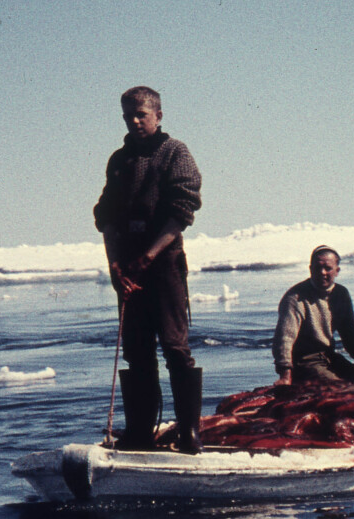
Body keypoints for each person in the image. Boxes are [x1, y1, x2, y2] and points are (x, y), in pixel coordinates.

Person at [92, 86, 203, 454]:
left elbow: (182, 212)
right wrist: (115, 266)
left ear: (158, 115)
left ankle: (189, 433)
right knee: (137, 351)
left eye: (141, 114)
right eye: (128, 116)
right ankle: (140, 432)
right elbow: (106, 216)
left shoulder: (175, 152)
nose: (135, 121)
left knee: (174, 347)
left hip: (165, 265)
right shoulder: (119, 160)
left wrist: (149, 257)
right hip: (128, 269)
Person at [272, 245, 354, 385]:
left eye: (328, 268)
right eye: (317, 268)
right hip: (304, 361)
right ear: (310, 269)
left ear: (337, 271)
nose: (322, 272)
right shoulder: (295, 297)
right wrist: (285, 374)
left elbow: (350, 334)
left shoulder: (341, 294)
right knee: (339, 387)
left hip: (329, 356)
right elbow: (284, 338)